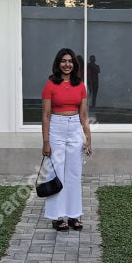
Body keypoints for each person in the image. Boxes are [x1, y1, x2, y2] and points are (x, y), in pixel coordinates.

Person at [41, 47, 91, 232]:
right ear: (58, 63)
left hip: (75, 128)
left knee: (74, 174)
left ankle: (74, 215)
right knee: (56, 173)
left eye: (70, 61)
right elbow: (46, 115)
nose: (67, 64)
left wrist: (88, 137)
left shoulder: (80, 86)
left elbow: (84, 114)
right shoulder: (50, 85)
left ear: (74, 64)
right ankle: (56, 216)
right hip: (56, 128)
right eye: (63, 61)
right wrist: (46, 141)